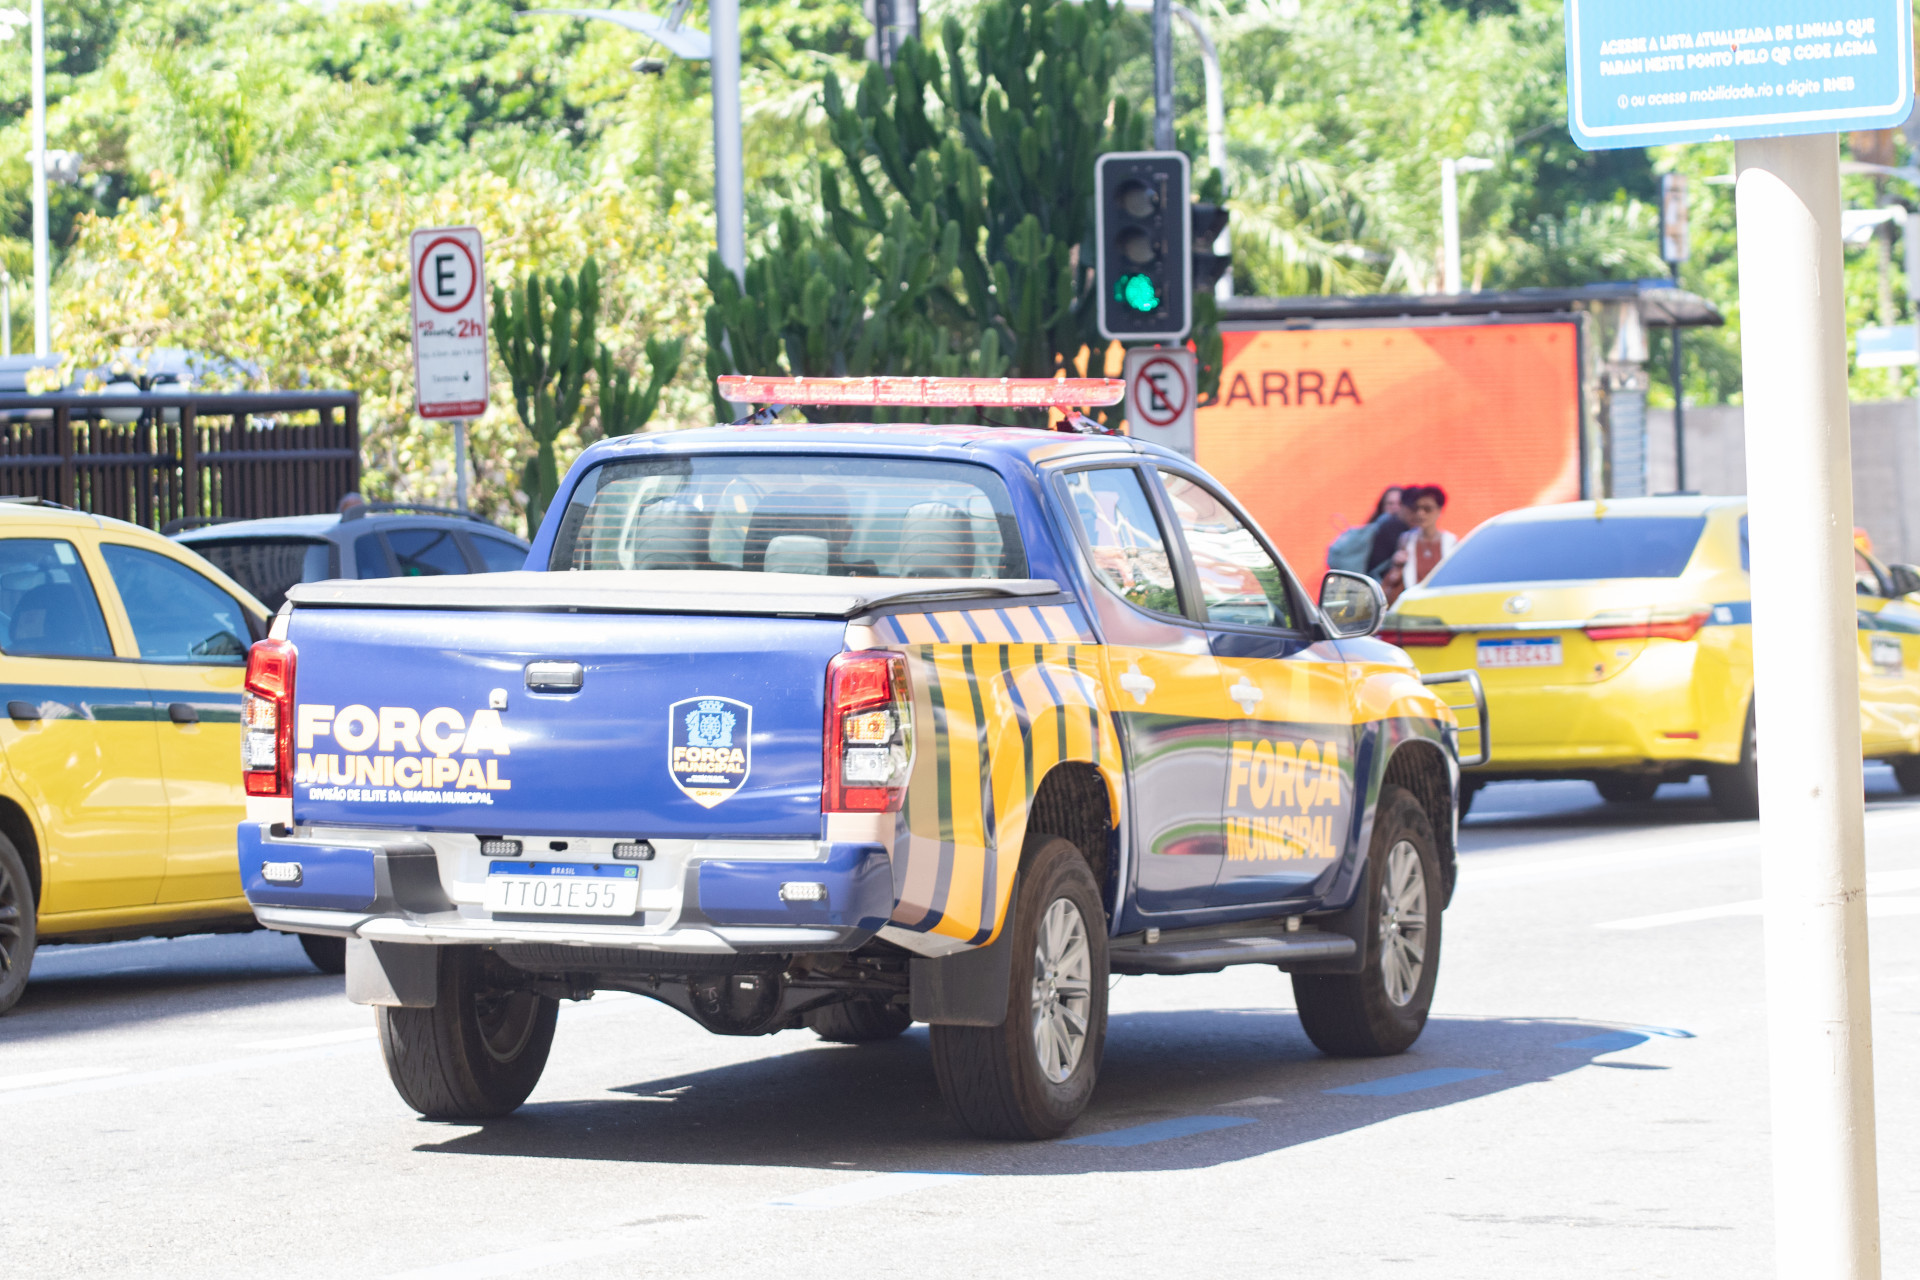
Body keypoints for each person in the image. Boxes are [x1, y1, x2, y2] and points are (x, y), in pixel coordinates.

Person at [1387, 484, 1456, 601]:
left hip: (1441, 602)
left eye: (1427, 509)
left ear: (1439, 510)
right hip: (1413, 603)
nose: (1420, 513)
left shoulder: (1450, 541)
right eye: (1417, 508)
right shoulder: (1406, 539)